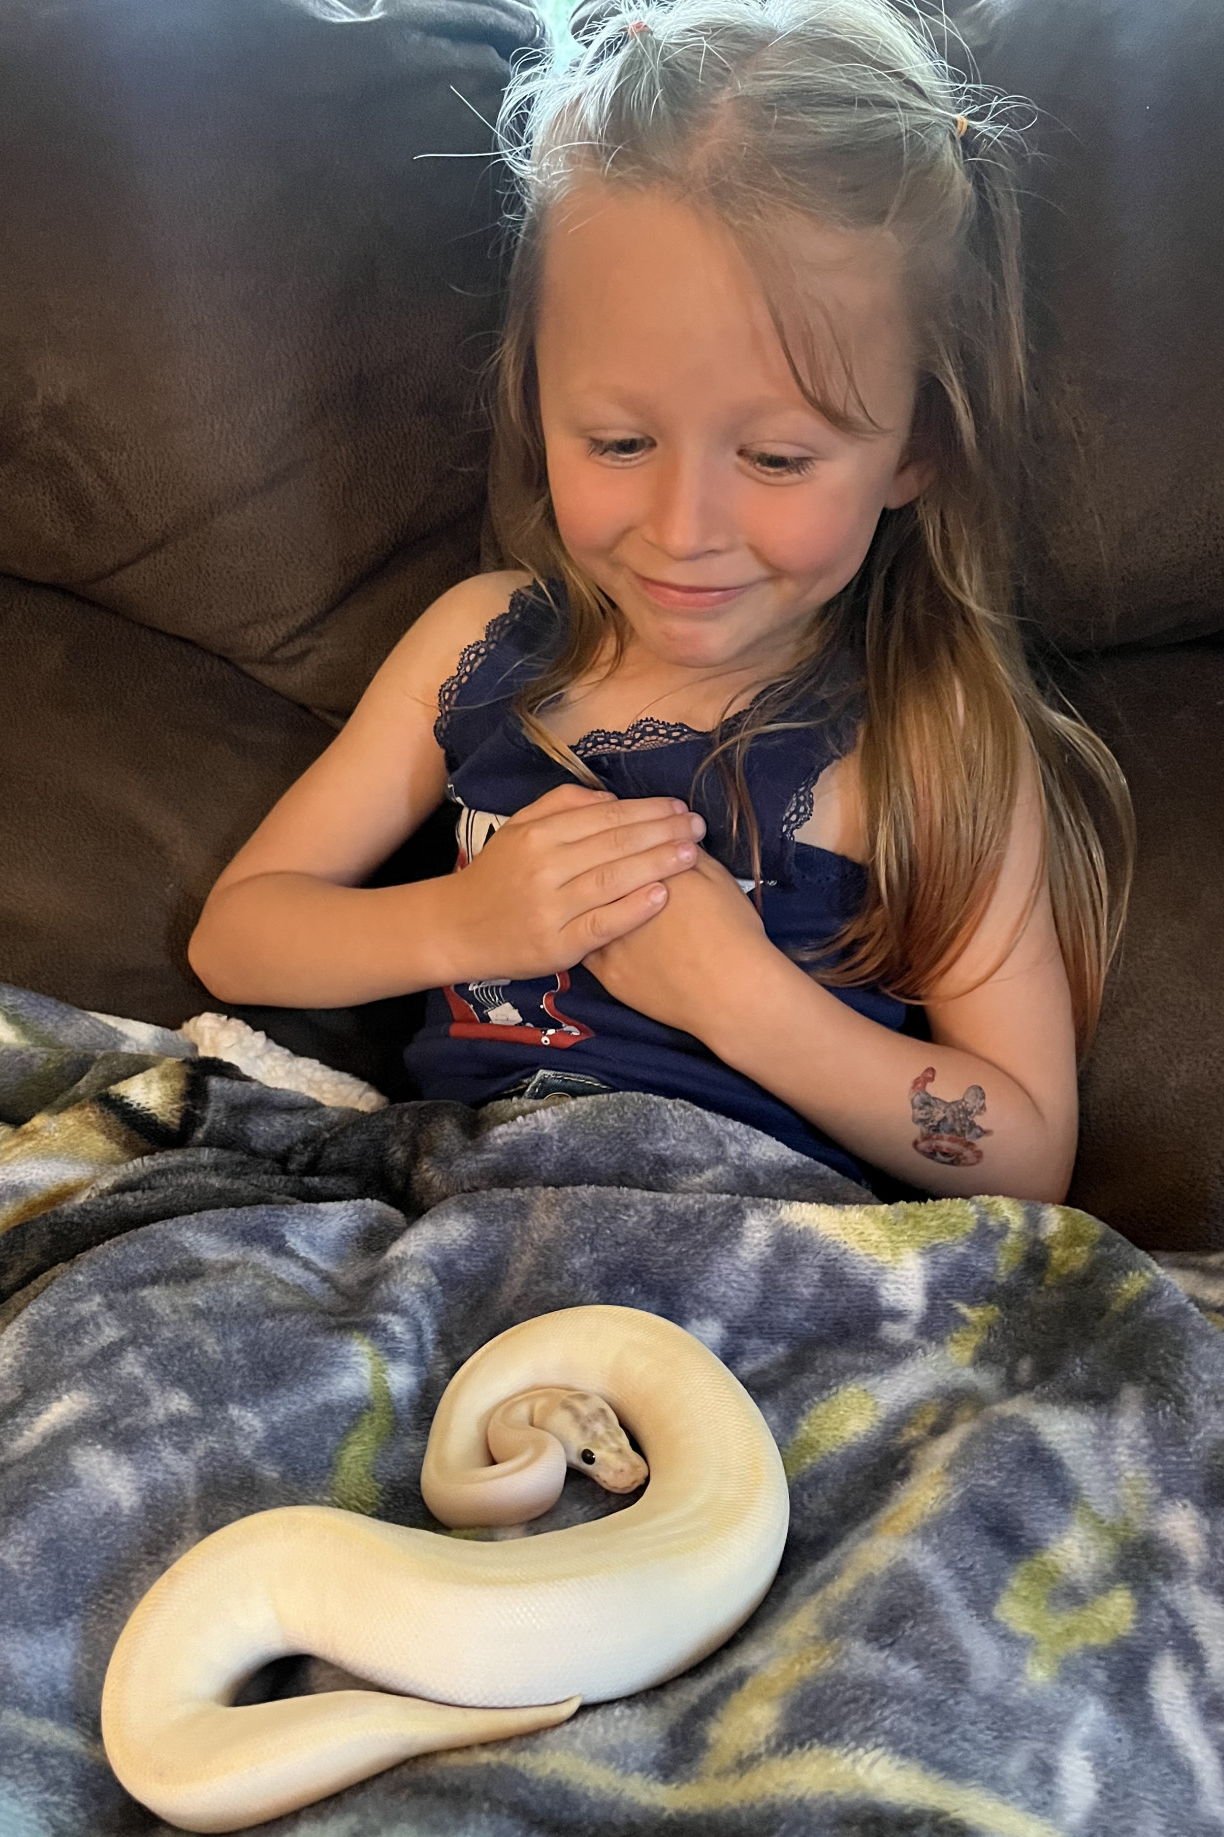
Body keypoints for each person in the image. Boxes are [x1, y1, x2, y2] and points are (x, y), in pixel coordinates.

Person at [188, 0, 1134, 1202]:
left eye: (777, 458)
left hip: (759, 1257)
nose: (683, 530)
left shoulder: (931, 732)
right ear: (536, 396)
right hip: (457, 1217)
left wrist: (745, 1001)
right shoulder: (477, 643)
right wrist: (465, 922)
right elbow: (237, 936)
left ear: (916, 448)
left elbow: (1026, 1151)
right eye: (621, 441)